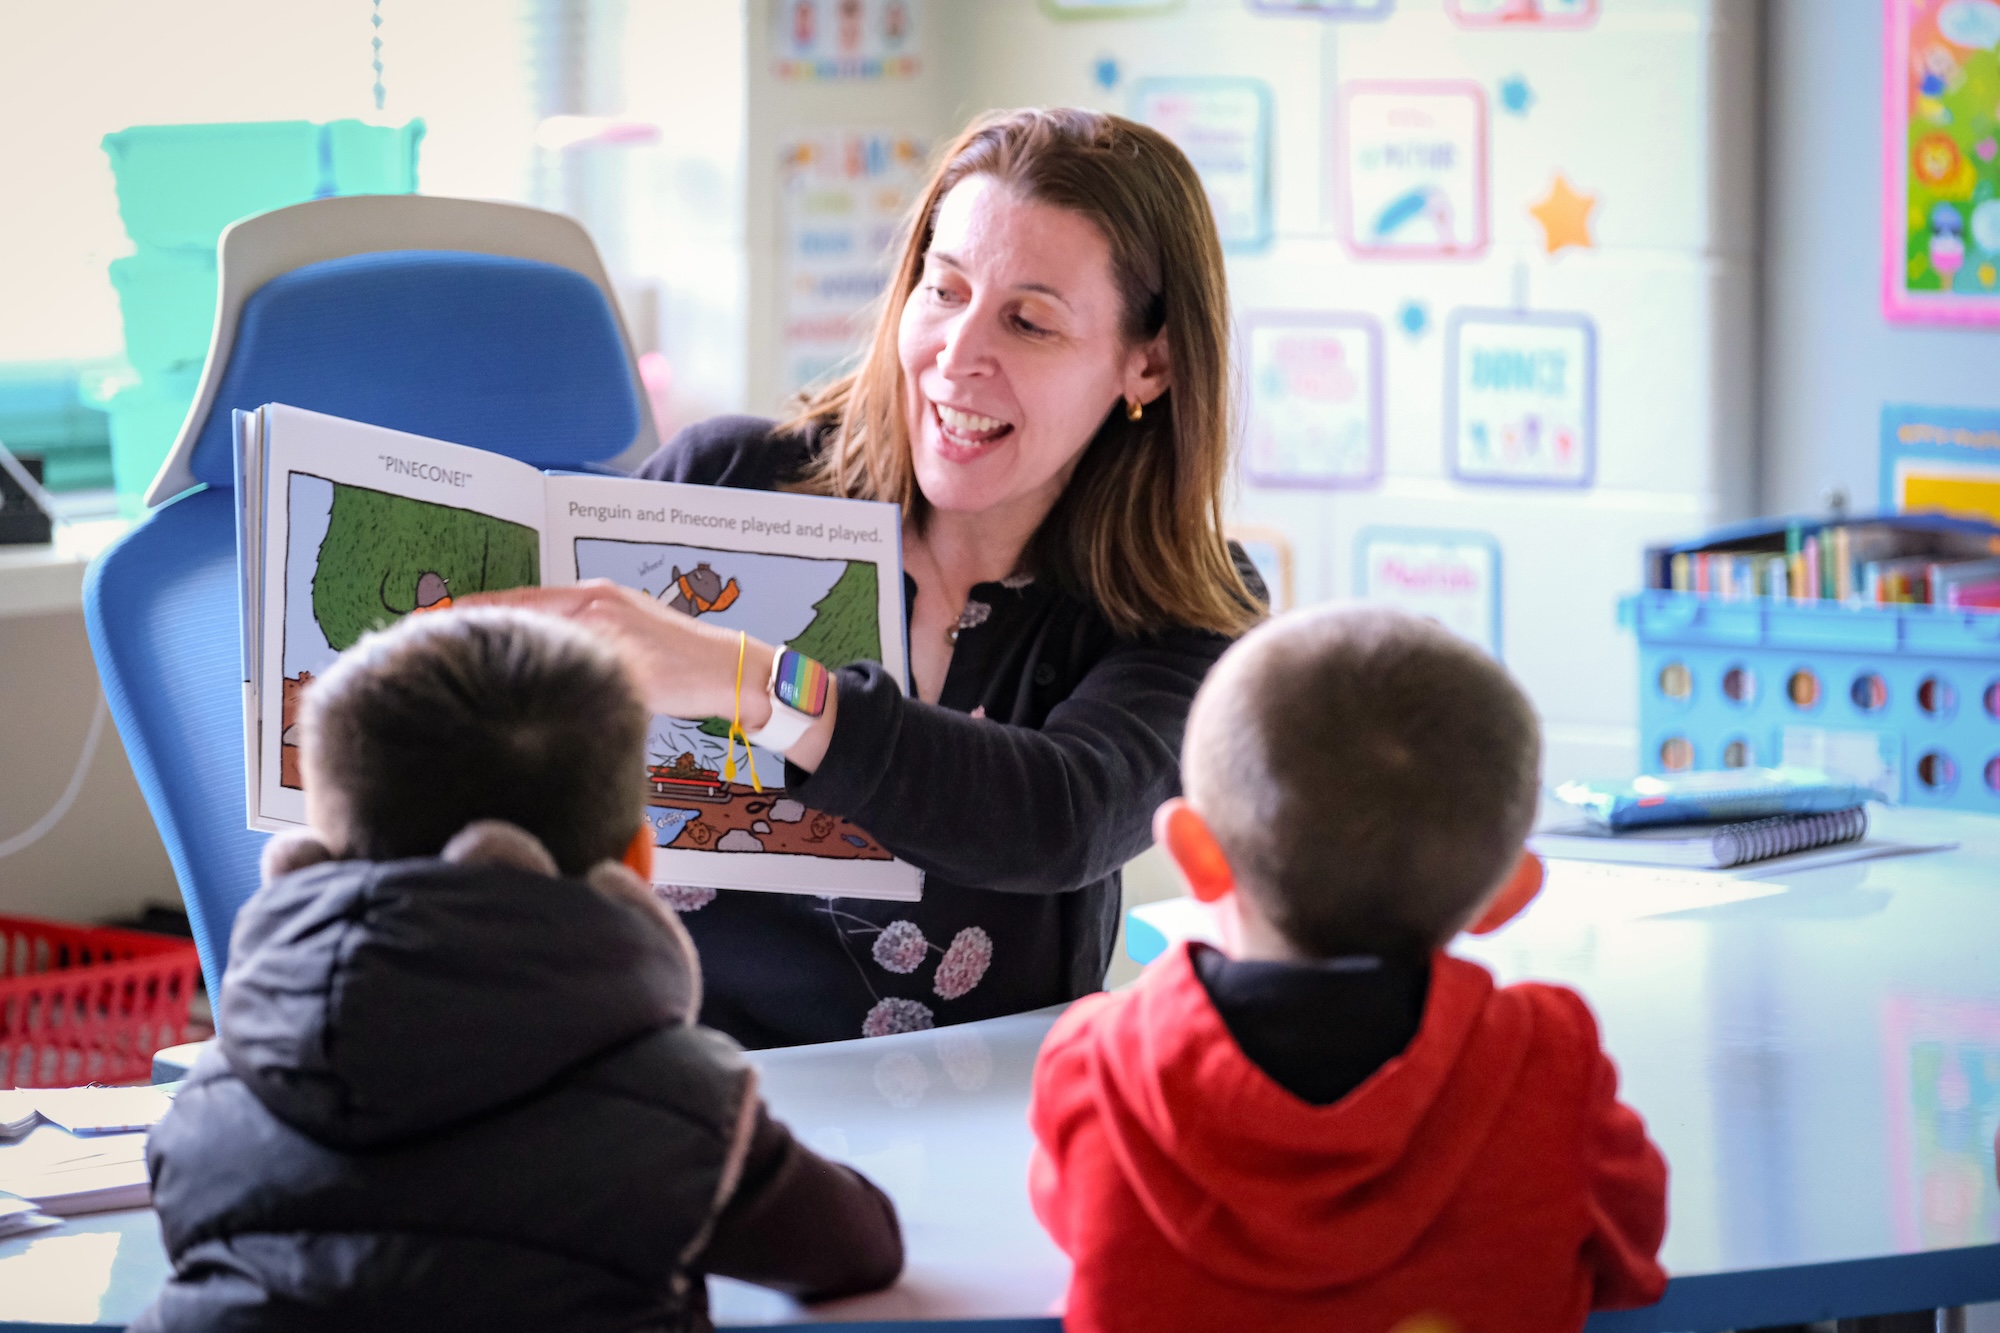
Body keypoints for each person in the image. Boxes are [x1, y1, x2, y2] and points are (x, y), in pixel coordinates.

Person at [482, 107, 1262, 1047]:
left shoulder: (1188, 603)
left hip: (972, 1108)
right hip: (677, 1082)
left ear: (1150, 364)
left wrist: (751, 682)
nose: (957, 356)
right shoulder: (728, 481)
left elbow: (1065, 815)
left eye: (1028, 322)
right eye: (944, 290)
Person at [135, 608, 903, 1333]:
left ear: (310, 862)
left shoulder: (206, 1104)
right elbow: (861, 1248)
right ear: (637, 865)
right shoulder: (683, 1104)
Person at [1027, 606, 1669, 1333]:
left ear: (1195, 855)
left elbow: (1074, 1224)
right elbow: (1632, 1250)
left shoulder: (1100, 1067)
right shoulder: (1547, 1066)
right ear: (1508, 895)